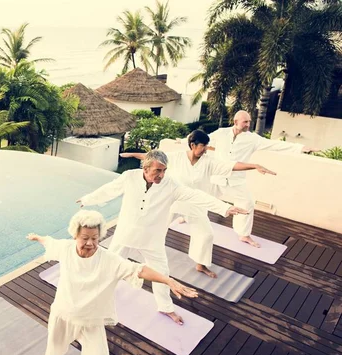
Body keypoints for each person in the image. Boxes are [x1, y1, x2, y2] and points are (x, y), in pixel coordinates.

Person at [27, 210, 197, 355]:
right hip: (63, 313)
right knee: (55, 344)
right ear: (75, 235)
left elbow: (138, 270)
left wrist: (168, 280)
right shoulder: (65, 248)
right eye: (85, 238)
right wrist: (38, 237)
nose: (90, 243)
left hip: (91, 320)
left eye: (95, 238)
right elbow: (50, 242)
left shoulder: (108, 259)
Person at [77, 150, 247, 324]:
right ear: (146, 167)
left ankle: (166, 308)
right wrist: (88, 199)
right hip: (126, 233)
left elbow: (195, 196)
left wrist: (225, 208)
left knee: (162, 274)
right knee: (109, 266)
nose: (162, 174)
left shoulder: (170, 185)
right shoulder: (129, 177)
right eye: (158, 170)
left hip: (152, 239)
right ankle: (96, 296)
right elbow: (109, 190)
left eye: (164, 170)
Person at [120, 130, 276, 278]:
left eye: (207, 146)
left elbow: (232, 165)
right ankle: (144, 254)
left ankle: (200, 265)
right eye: (203, 146)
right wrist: (132, 154)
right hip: (172, 200)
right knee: (157, 229)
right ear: (193, 145)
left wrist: (254, 166)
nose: (205, 150)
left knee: (206, 234)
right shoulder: (176, 157)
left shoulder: (209, 162)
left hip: (195, 203)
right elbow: (152, 159)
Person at [208, 110, 317, 247]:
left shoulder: (253, 139)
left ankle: (244, 235)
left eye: (249, 121)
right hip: (216, 176)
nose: (248, 124)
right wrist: (182, 141)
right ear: (235, 122)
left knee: (247, 204)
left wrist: (301, 148)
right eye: (245, 122)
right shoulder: (221, 133)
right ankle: (186, 216)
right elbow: (203, 139)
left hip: (236, 179)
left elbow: (275, 145)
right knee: (201, 195)